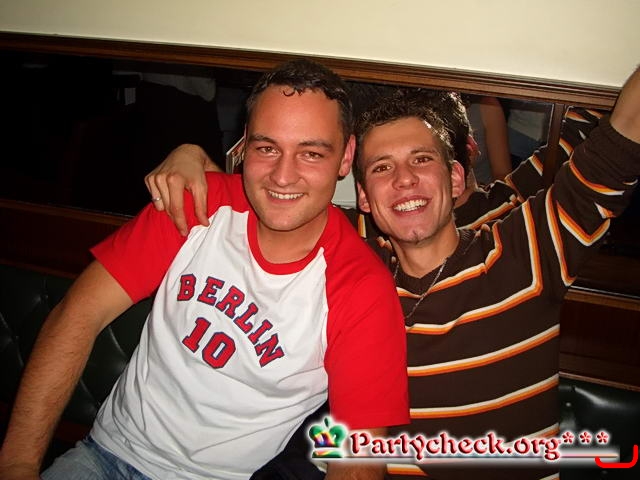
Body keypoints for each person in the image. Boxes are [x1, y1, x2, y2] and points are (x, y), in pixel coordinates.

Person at [145, 66, 640, 480]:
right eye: (381, 168)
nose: (403, 180)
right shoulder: (352, 269)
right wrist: (192, 156)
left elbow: (622, 135)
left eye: (421, 160)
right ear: (363, 197)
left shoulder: (525, 253)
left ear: (455, 177)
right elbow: (270, 194)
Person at [0, 59, 410, 480]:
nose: (283, 176)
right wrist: (17, 465)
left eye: (311, 153)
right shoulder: (194, 203)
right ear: (243, 145)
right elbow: (77, 314)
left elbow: (358, 462)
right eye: (267, 148)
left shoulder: (361, 288)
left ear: (346, 157)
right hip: (104, 455)